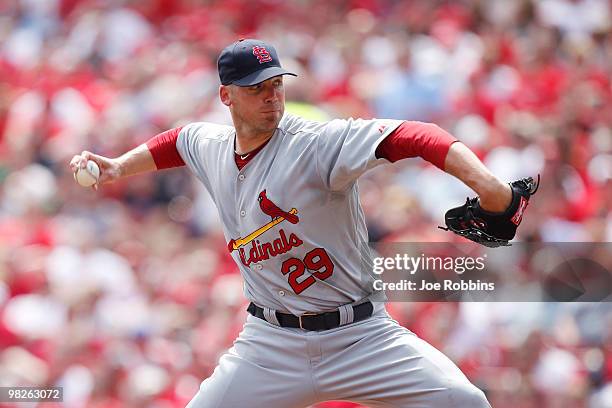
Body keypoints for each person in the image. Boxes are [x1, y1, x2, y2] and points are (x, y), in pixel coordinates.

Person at [70, 39, 506, 407]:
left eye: (276, 85)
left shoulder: (315, 143)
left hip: (360, 336)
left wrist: (486, 183)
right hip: (270, 345)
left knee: (464, 402)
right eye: (257, 88)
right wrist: (117, 168)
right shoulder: (213, 145)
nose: (271, 97)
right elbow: (179, 142)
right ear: (227, 96)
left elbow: (416, 135)